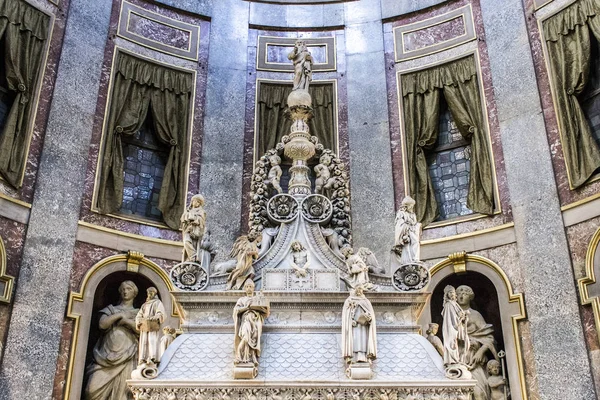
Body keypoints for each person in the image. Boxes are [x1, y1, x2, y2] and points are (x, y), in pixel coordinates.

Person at [84, 281, 139, 400]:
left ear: (134, 293)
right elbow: (102, 324)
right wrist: (119, 315)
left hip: (128, 356)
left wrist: (127, 322)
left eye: (129, 289)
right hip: (104, 356)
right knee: (91, 391)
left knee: (125, 394)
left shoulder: (139, 313)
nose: (125, 291)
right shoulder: (111, 309)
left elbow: (142, 329)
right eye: (123, 289)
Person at [456, 285, 498, 400]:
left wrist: (480, 351)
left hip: (474, 358)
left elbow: (489, 338)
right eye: (459, 293)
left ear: (470, 297)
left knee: (479, 392)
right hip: (457, 357)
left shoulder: (475, 315)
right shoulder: (451, 315)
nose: (461, 295)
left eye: (464, 293)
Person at [233, 280, 270, 366]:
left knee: (254, 338)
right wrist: (246, 308)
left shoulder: (257, 299)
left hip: (256, 320)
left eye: (250, 286)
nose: (249, 288)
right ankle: (238, 355)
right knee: (246, 337)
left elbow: (266, 313)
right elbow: (236, 310)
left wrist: (265, 307)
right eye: (247, 287)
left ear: (253, 288)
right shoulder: (242, 299)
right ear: (245, 288)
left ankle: (252, 355)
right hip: (246, 319)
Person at [341, 285, 377, 364]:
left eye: (361, 289)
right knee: (354, 339)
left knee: (363, 340)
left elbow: (370, 314)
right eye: (358, 289)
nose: (359, 291)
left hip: (363, 326)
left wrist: (368, 317)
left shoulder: (366, 301)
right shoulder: (349, 300)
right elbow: (346, 314)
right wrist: (350, 319)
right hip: (354, 326)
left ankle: (364, 356)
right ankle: (352, 356)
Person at [135, 287, 166, 365]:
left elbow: (161, 313)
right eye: (148, 293)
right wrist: (139, 321)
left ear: (154, 294)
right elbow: (139, 315)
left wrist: (154, 318)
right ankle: (143, 358)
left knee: (152, 341)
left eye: (151, 293)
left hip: (152, 326)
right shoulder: (144, 305)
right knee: (144, 342)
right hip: (145, 326)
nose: (149, 294)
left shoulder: (157, 303)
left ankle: (153, 357)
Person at [441, 285, 469, 366]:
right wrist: (461, 318)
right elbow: (452, 319)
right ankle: (453, 360)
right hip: (451, 328)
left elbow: (460, 317)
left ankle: (461, 360)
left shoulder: (455, 304)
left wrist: (464, 318)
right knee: (452, 344)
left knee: (466, 342)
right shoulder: (448, 305)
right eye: (450, 293)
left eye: (453, 292)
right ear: (447, 295)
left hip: (458, 327)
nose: (452, 294)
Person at [393, 196, 422, 264]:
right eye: (411, 206)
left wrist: (415, 225)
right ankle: (410, 260)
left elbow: (414, 222)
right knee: (407, 247)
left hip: (413, 230)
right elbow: (399, 225)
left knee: (416, 242)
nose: (412, 208)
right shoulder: (401, 213)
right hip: (406, 231)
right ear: (407, 206)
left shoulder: (412, 214)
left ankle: (415, 258)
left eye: (412, 206)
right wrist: (406, 228)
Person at [180, 194, 206, 263]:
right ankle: (193, 256)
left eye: (197, 202)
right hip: (187, 230)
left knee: (192, 243)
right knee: (186, 242)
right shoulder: (188, 210)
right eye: (194, 201)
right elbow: (183, 219)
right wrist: (187, 217)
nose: (195, 203)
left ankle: (192, 258)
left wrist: (195, 219)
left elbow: (202, 221)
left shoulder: (201, 212)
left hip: (195, 231)